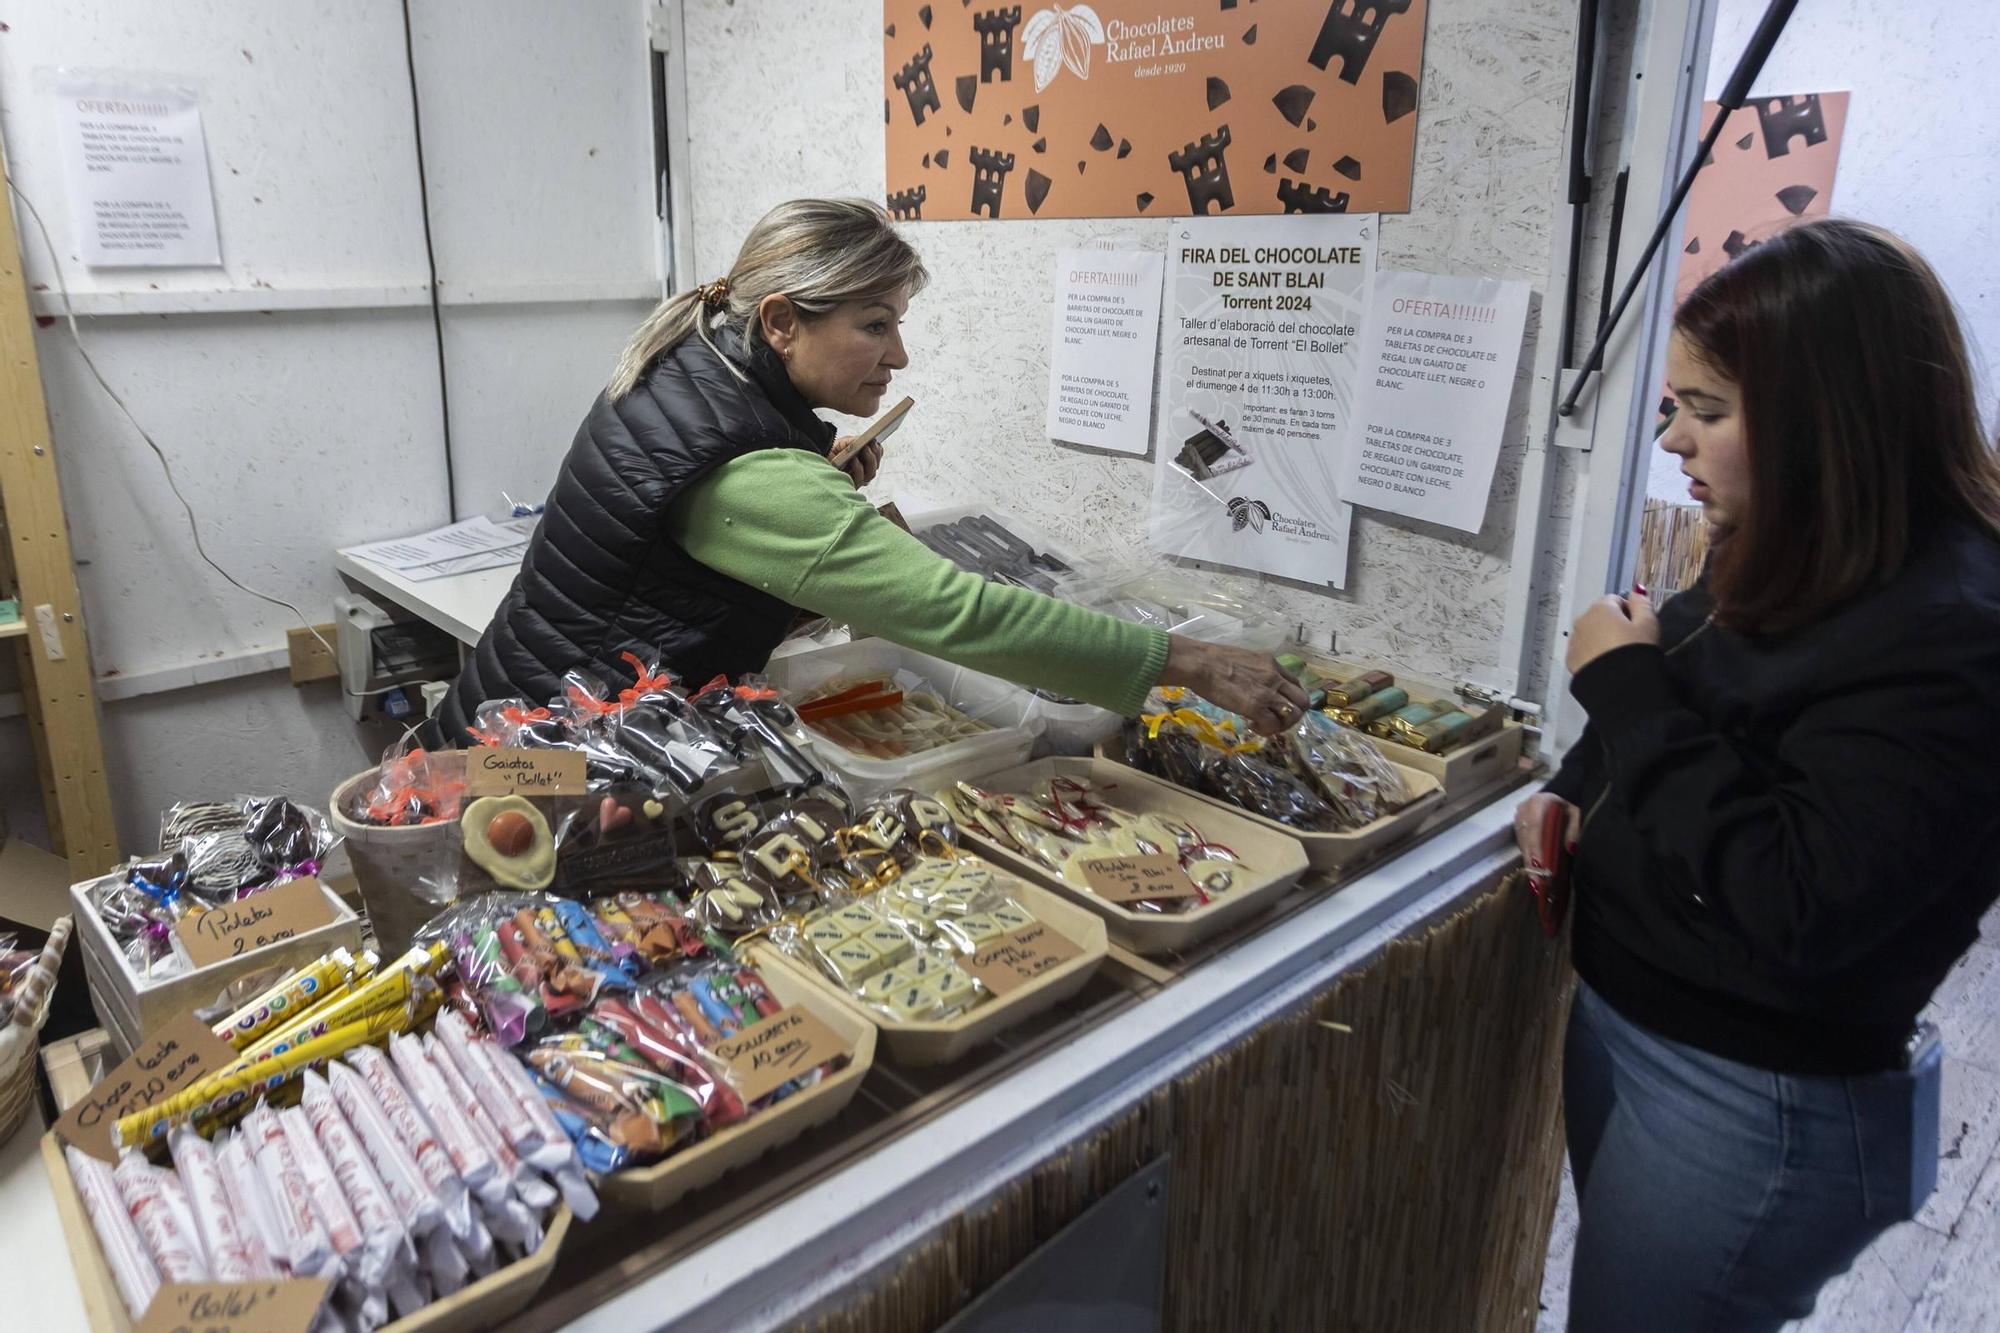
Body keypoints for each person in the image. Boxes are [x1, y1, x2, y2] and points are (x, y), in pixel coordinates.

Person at [1518, 217, 2000, 1332]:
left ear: (1825, 421)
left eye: (1707, 412)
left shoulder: (1954, 632)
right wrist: (1573, 784)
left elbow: (1797, 902)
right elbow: (1680, 665)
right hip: (1637, 1025)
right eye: (1673, 408)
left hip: (1749, 1094)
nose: (1673, 443)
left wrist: (1620, 692)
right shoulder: (1796, 539)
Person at [436, 198, 1306, 741]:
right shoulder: (749, 469)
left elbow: (685, 566)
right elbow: (953, 610)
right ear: (780, 321)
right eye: (874, 325)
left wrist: (822, 480)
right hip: (545, 755)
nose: (899, 354)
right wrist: (1185, 661)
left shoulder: (692, 363)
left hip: (517, 704)